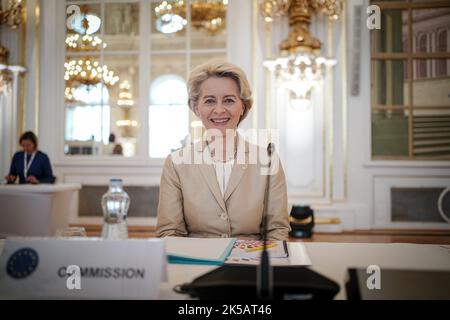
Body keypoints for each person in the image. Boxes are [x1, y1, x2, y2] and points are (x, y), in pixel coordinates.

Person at [156, 60, 290, 240]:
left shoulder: (267, 160)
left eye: (228, 100)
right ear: (197, 108)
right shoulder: (175, 163)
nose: (219, 110)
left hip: (251, 265)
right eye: (210, 101)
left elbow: (277, 231)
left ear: (242, 106)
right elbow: (169, 233)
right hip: (196, 265)